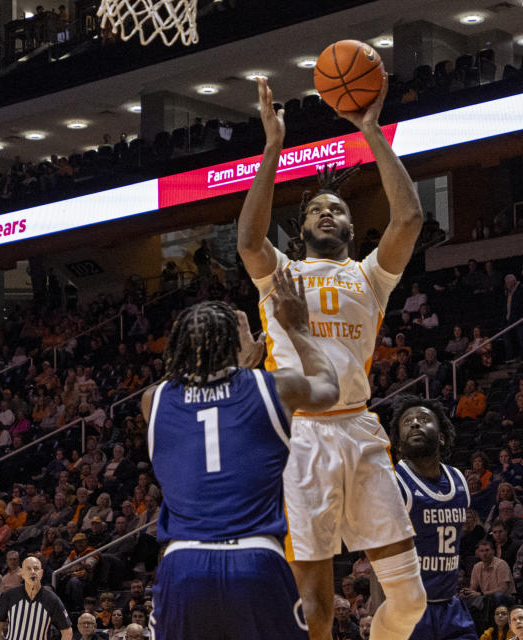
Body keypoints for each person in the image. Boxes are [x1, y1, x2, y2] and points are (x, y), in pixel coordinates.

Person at [237, 76, 427, 640]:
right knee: (315, 613)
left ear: (349, 227)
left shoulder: (369, 276)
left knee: (411, 602)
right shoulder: (282, 275)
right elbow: (248, 240)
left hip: (360, 432)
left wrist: (371, 131)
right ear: (301, 229)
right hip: (302, 441)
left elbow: (409, 218)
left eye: (337, 210)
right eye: (317, 208)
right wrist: (272, 147)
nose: (327, 213)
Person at [141, 270, 341, 640]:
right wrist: (297, 328)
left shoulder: (153, 400)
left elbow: (212, 399)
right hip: (255, 559)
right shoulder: (276, 388)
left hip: (183, 564)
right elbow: (329, 387)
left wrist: (236, 363)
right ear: (236, 344)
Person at [390, 395, 475, 640]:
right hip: (409, 611)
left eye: (424, 419)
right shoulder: (393, 483)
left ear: (441, 436)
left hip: (451, 606)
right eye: (407, 422)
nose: (415, 424)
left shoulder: (459, 480)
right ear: (399, 444)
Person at [0, 556, 71, 640]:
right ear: (22, 573)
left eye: (36, 568)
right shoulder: (9, 595)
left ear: (41, 573)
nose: (32, 572)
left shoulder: (52, 599)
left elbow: (67, 631)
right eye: (28, 569)